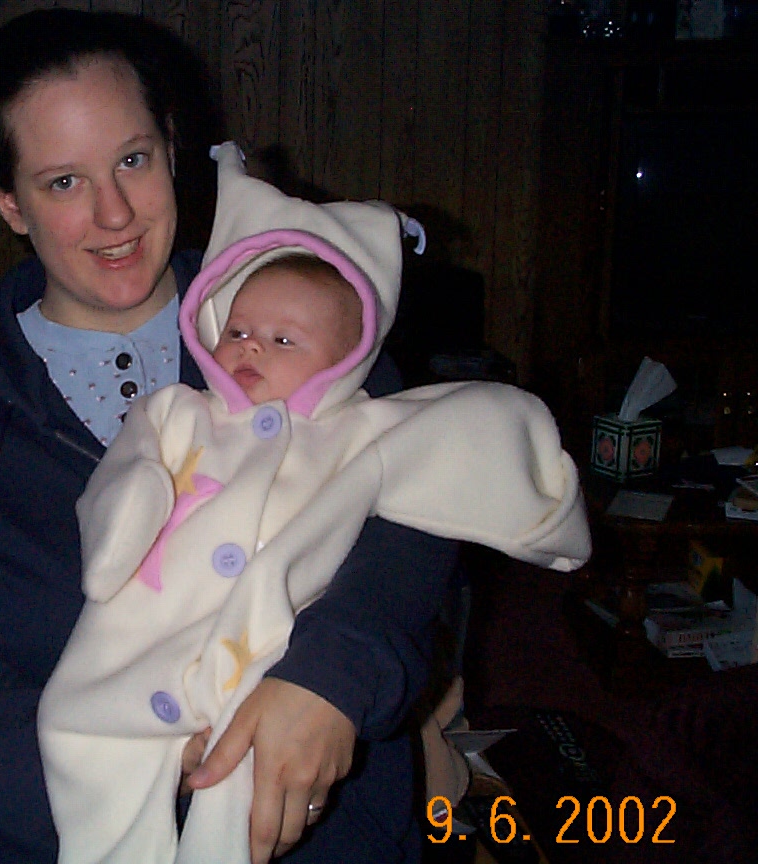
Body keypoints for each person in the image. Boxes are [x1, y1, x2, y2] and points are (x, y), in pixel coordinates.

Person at [0, 9, 463, 864]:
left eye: (132, 160)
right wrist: (124, 777)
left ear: (172, 149)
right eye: (64, 182)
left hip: (329, 830)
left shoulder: (298, 315)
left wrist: (333, 679)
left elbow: (418, 514)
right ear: (9, 202)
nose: (114, 215)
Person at [36, 143, 591, 864]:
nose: (251, 349)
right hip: (149, 640)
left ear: (346, 362)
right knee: (78, 727)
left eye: (284, 340)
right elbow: (127, 471)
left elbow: (465, 436)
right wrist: (120, 526)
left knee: (242, 785)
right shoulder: (181, 410)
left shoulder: (360, 431)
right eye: (238, 330)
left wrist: (547, 516)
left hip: (267, 661)